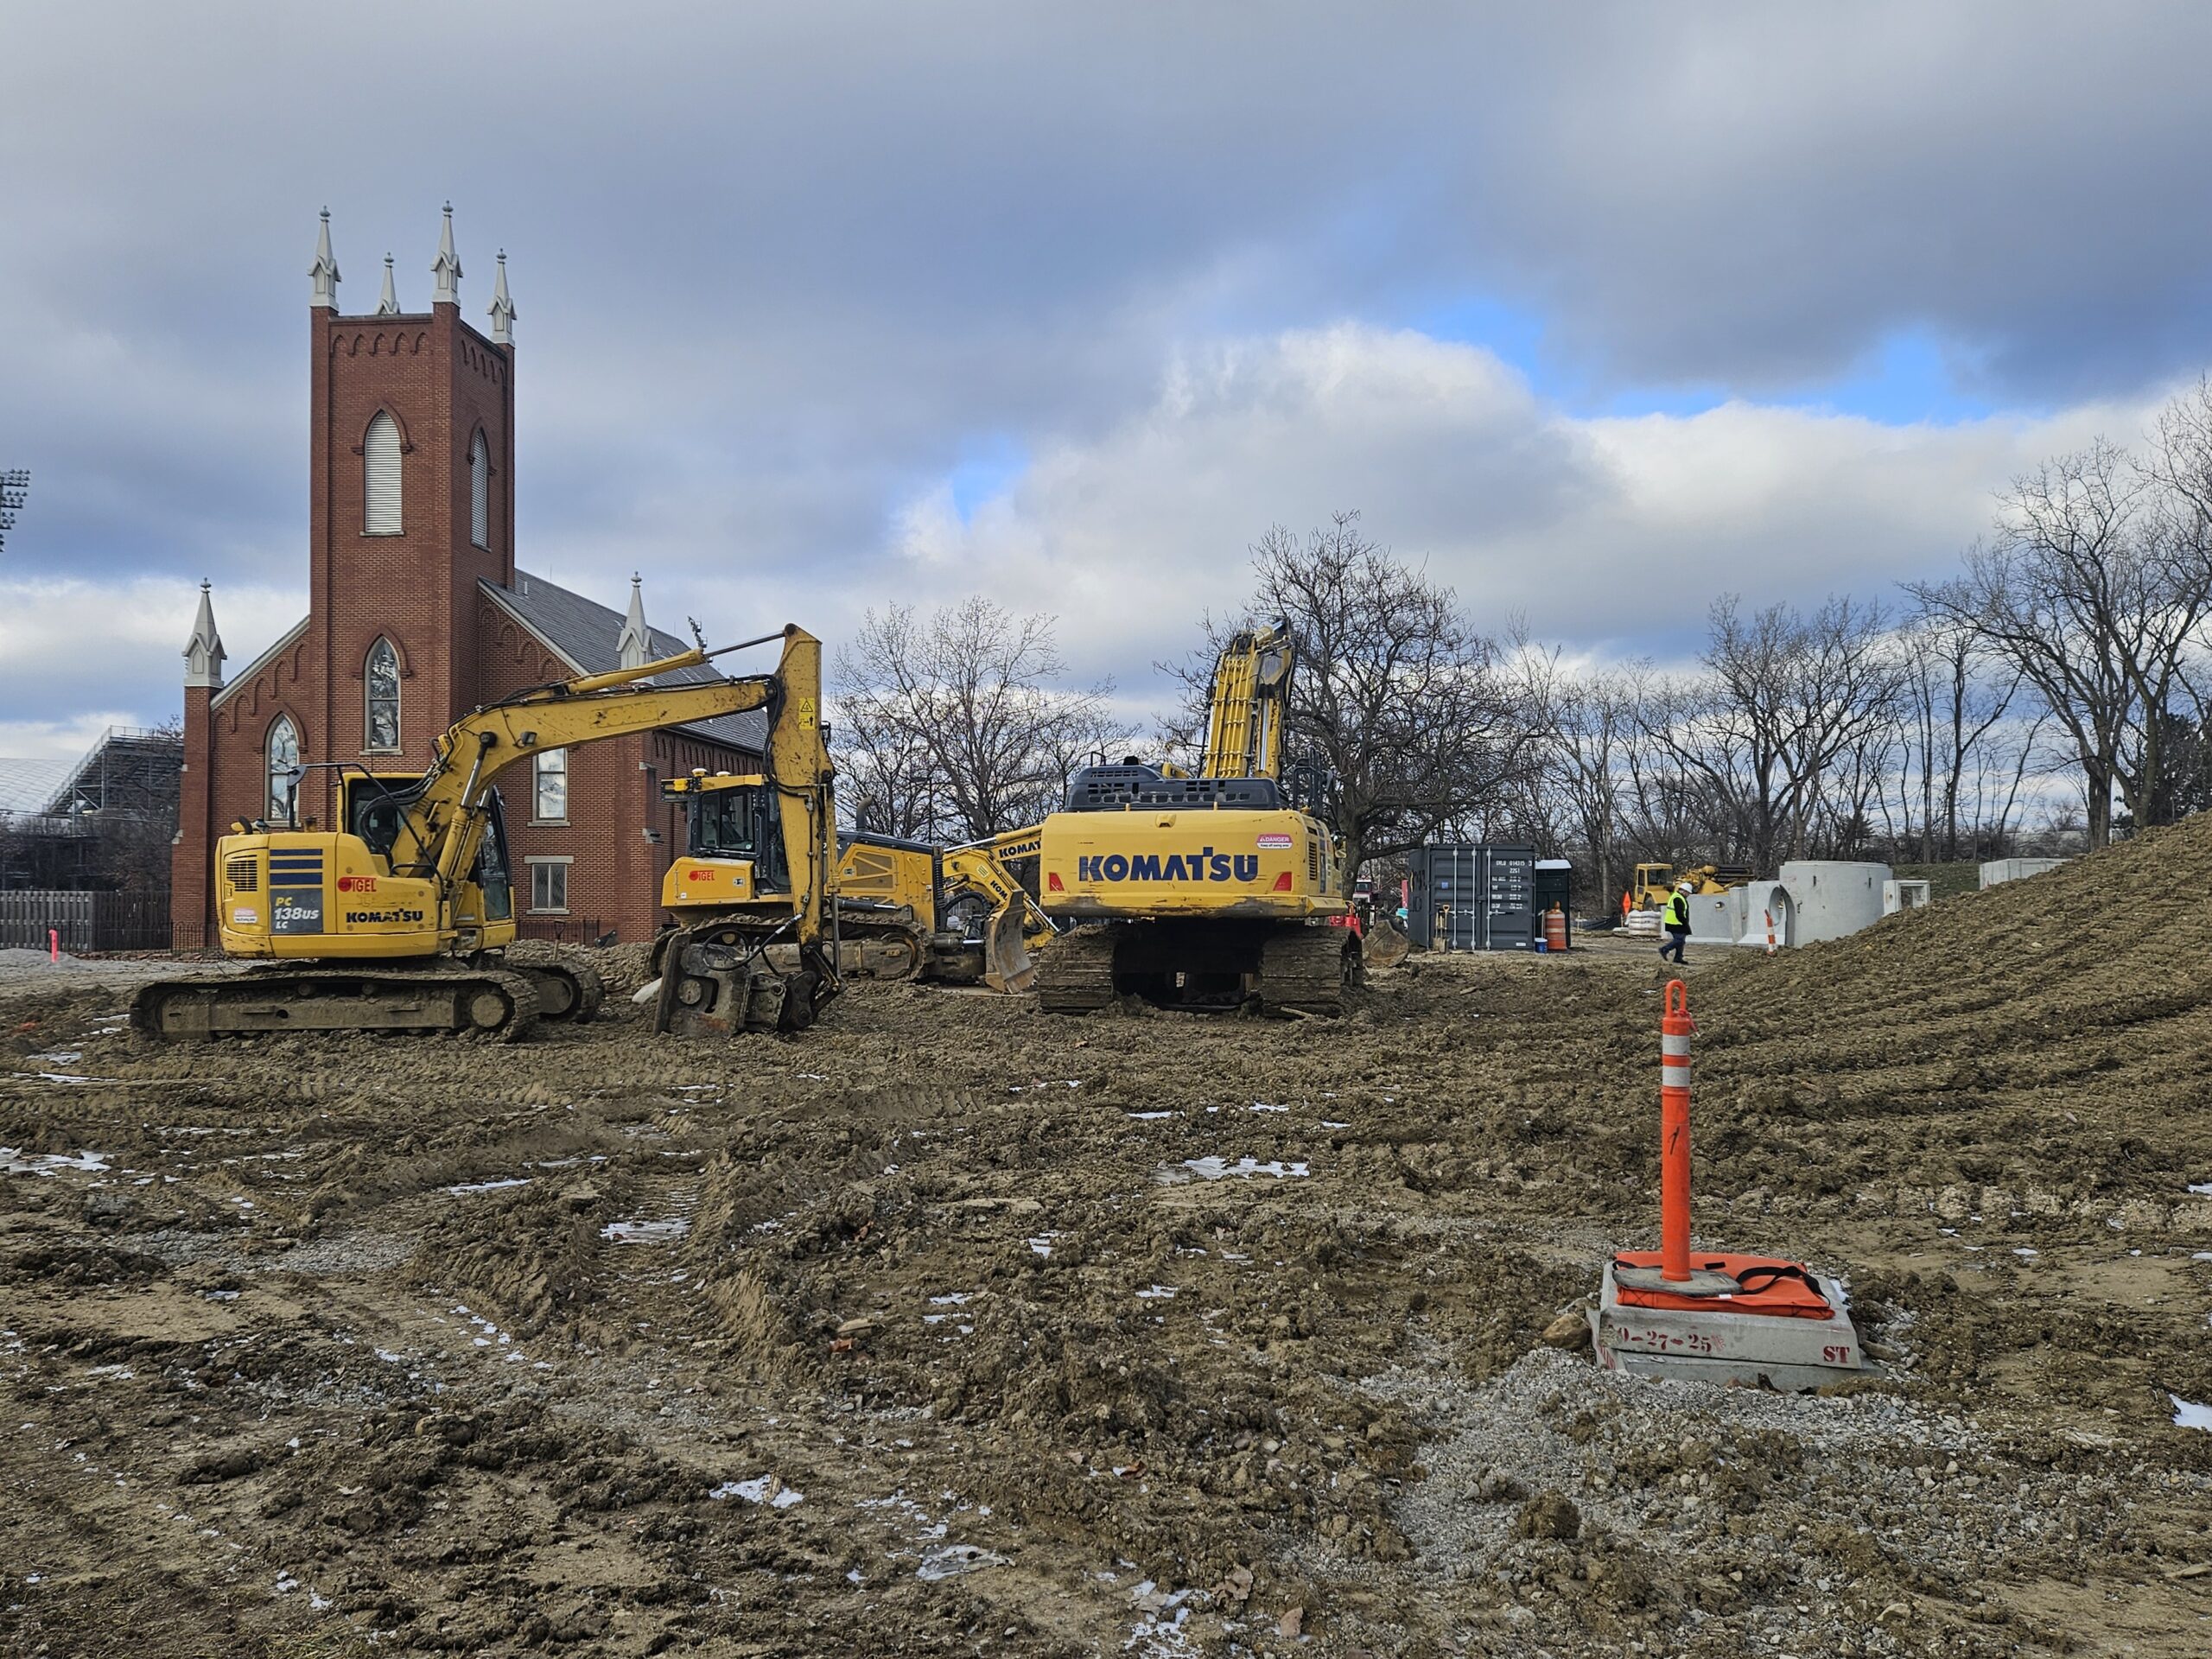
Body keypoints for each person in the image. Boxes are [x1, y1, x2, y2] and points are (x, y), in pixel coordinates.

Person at [1659, 880, 1692, 964]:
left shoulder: (1677, 896)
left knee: (1681, 940)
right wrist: (1685, 924)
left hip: (1675, 922)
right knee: (1679, 940)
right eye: (1687, 893)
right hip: (1676, 923)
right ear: (1684, 891)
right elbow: (1679, 914)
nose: (1688, 895)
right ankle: (1664, 949)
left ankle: (1678, 957)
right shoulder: (1678, 898)